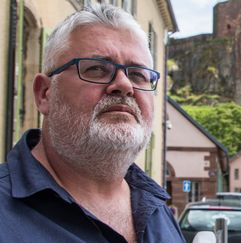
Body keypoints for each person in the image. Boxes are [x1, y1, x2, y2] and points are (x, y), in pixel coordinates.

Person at [0, 3, 185, 243]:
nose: (124, 85)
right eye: (97, 69)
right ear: (45, 93)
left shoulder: (159, 212)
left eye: (138, 74)